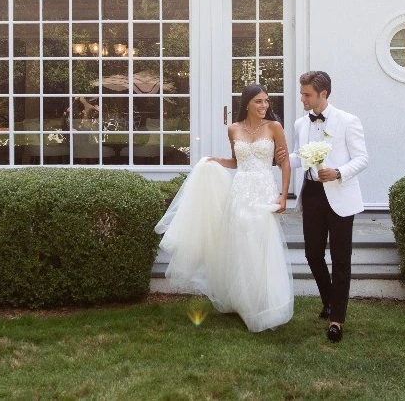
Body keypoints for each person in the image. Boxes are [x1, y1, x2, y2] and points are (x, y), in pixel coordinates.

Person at [155, 84, 294, 332]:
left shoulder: (274, 127)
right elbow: (236, 161)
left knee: (262, 243)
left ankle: (264, 301)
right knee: (241, 246)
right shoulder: (233, 129)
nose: (264, 106)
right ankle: (244, 301)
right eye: (259, 102)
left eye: (266, 102)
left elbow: (284, 164)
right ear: (247, 104)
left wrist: (284, 196)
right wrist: (214, 161)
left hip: (264, 190)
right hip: (240, 191)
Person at [282, 71, 369, 343]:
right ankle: (329, 299)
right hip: (313, 196)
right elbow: (299, 156)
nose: (302, 98)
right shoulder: (300, 124)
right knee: (312, 254)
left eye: (307, 94)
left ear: (323, 94)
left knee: (341, 259)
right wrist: (283, 158)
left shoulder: (348, 121)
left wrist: (339, 172)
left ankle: (336, 320)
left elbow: (362, 158)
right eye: (302, 93)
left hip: (341, 195)